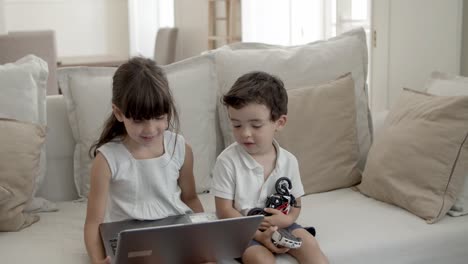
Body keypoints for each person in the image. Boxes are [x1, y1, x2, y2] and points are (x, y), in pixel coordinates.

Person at [84, 57, 204, 264]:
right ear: (119, 113)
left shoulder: (180, 148)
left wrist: (204, 234)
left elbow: (190, 198)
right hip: (131, 238)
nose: (150, 129)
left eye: (159, 117)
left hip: (176, 230)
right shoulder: (107, 160)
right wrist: (97, 261)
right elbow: (94, 222)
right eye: (139, 120)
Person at [211, 71, 329, 264]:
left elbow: (296, 203)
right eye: (237, 125)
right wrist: (258, 235)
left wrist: (288, 220)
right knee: (261, 259)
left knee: (311, 246)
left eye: (256, 125)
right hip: (242, 230)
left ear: (279, 123)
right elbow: (224, 211)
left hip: (281, 225)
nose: (245, 133)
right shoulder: (227, 161)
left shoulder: (289, 161)